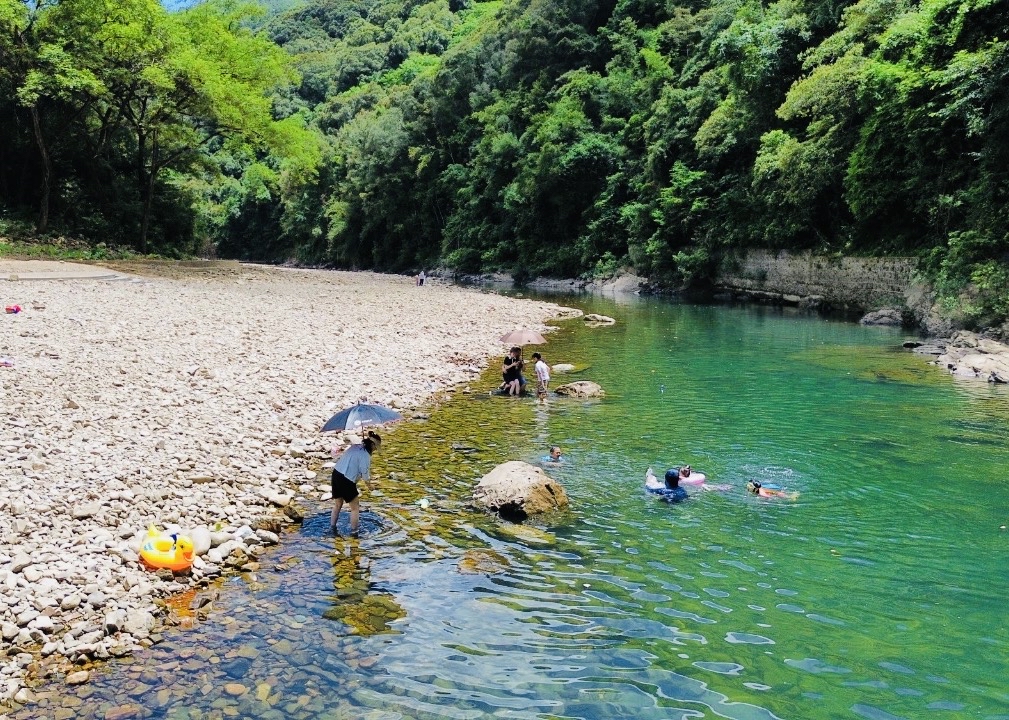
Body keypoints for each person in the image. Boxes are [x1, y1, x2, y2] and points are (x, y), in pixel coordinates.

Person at [330, 430, 382, 535]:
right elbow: (365, 474)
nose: (376, 449)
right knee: (355, 508)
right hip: (346, 479)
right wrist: (370, 486)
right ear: (372, 444)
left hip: (336, 474)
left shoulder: (355, 447)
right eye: (376, 447)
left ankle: (332, 528)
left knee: (337, 504)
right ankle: (355, 533)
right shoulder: (365, 455)